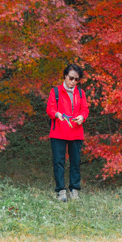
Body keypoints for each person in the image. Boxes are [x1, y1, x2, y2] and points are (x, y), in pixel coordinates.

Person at [46, 63, 89, 201]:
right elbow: (50, 109)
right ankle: (61, 191)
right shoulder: (56, 91)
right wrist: (57, 115)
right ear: (65, 76)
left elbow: (85, 109)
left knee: (75, 162)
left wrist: (82, 117)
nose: (73, 82)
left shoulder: (81, 93)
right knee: (59, 162)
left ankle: (74, 190)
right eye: (71, 78)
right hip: (58, 132)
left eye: (76, 79)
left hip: (76, 133)